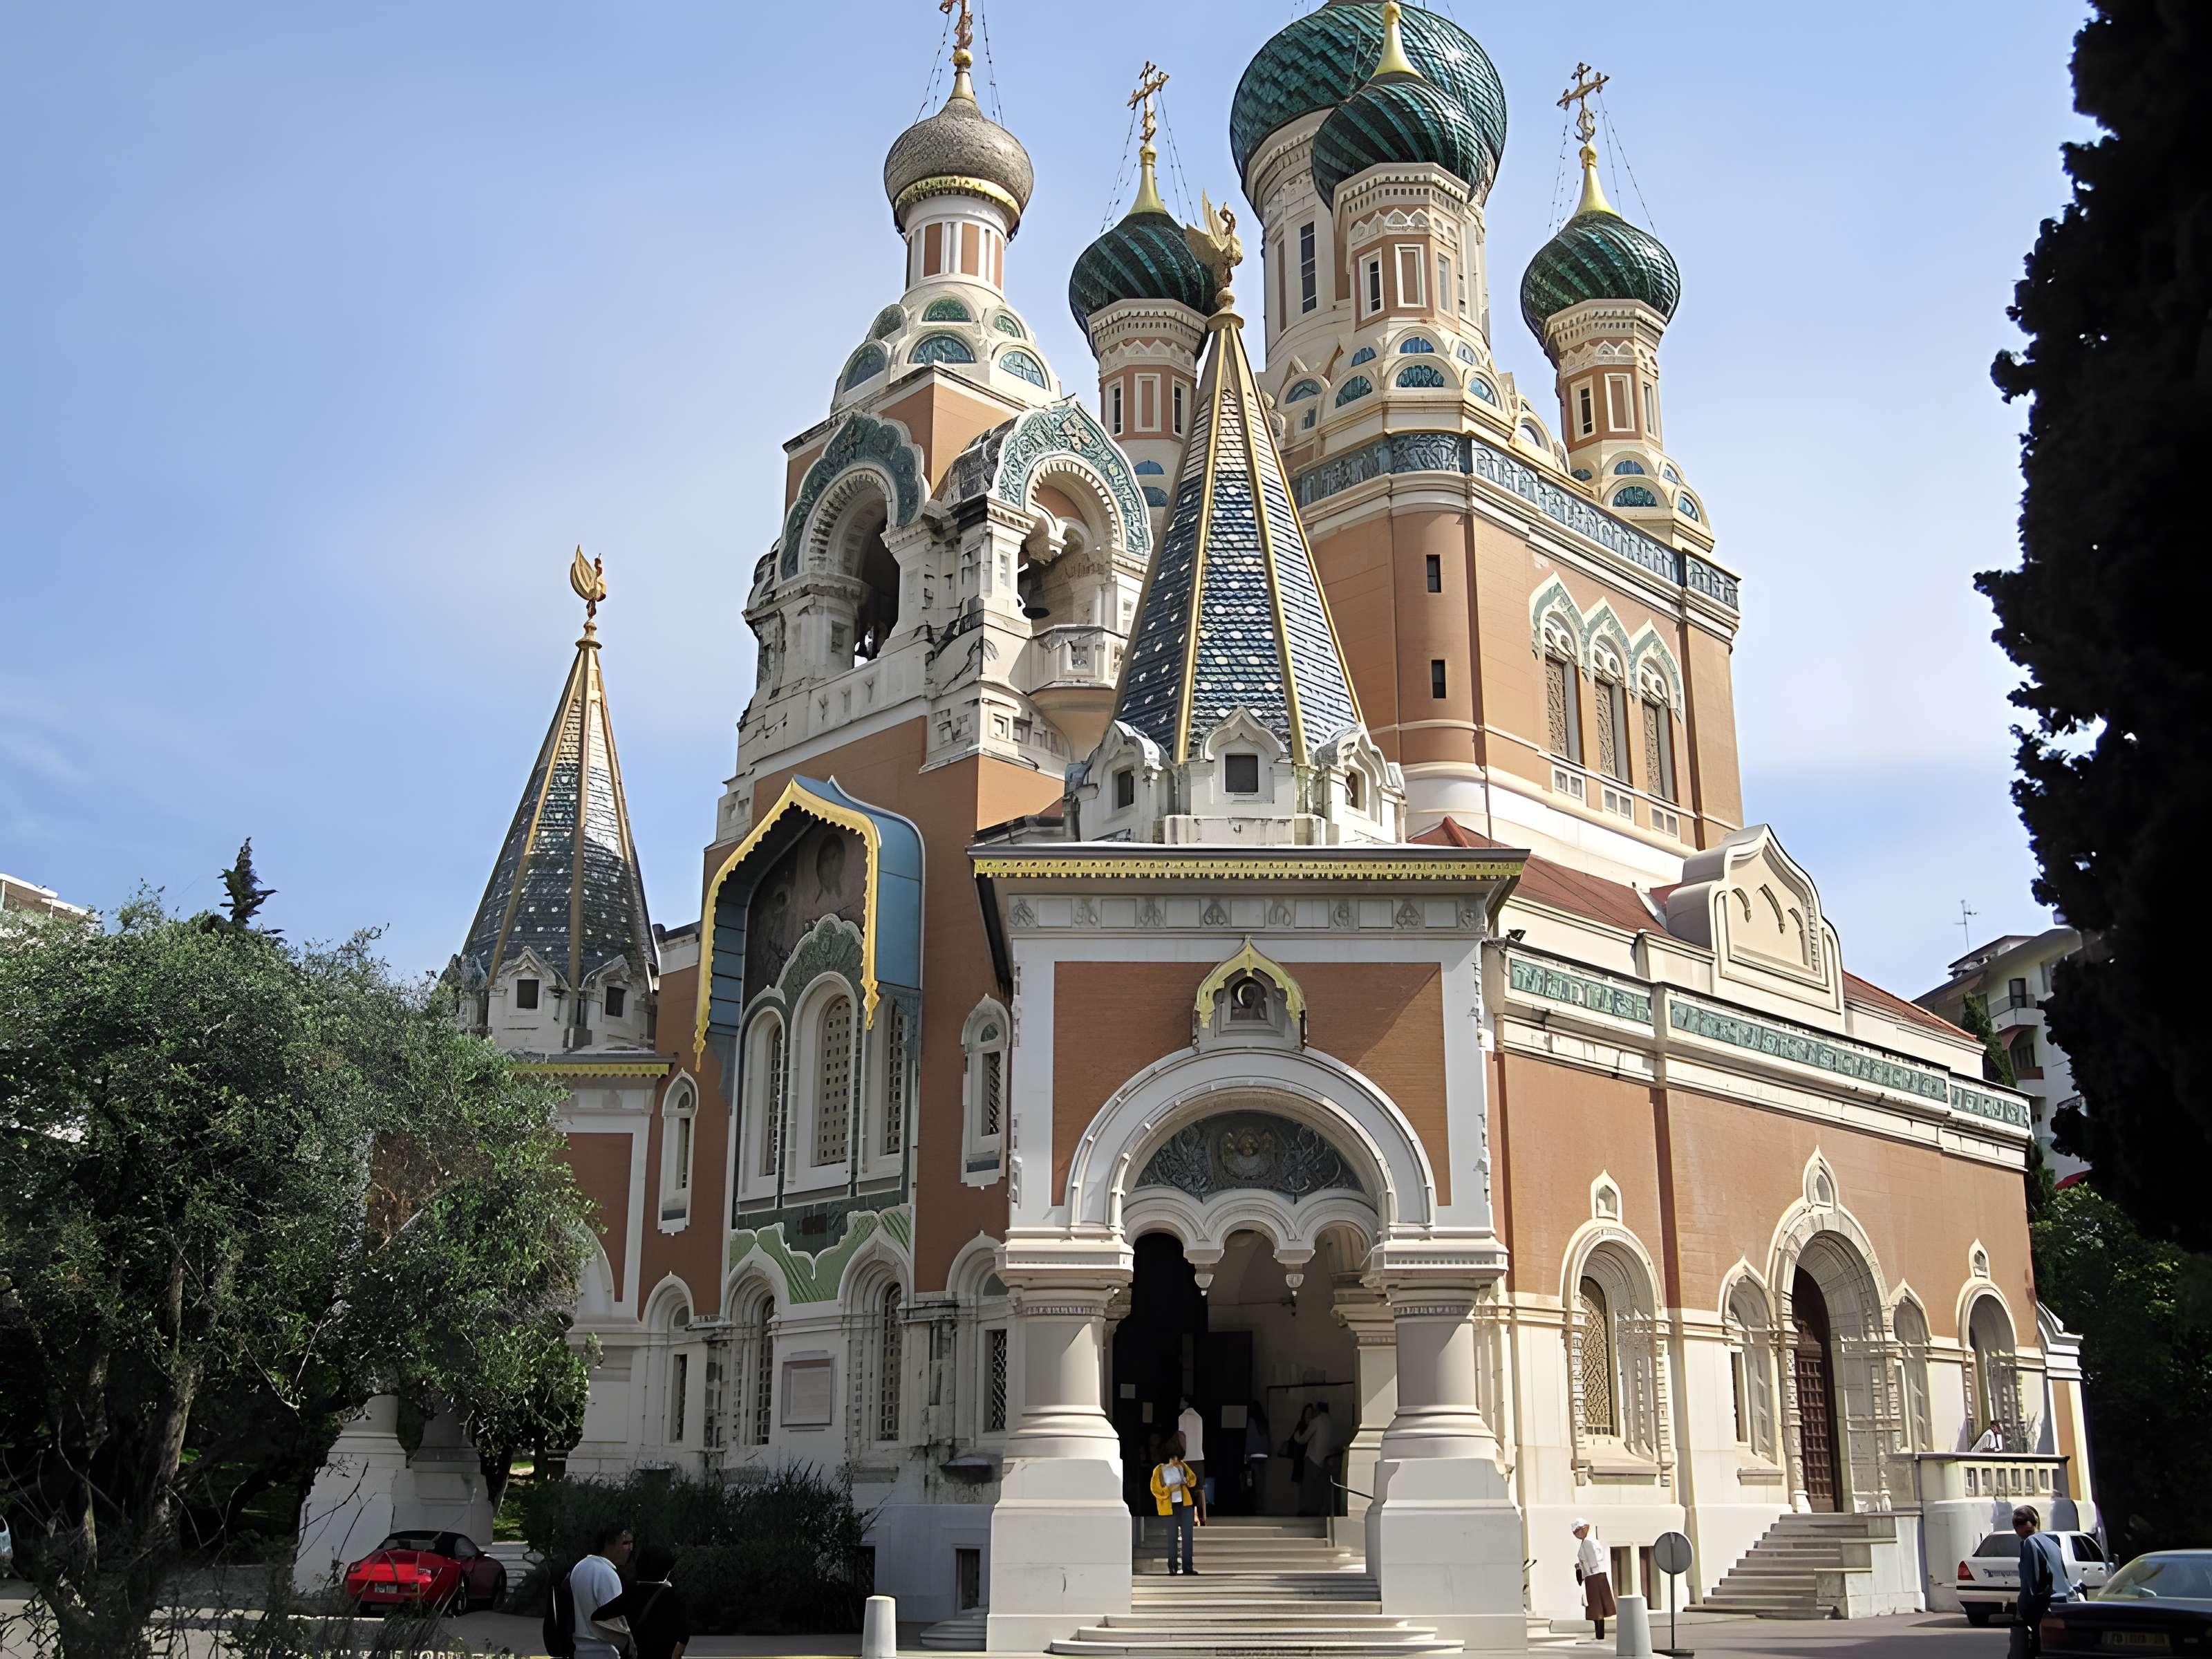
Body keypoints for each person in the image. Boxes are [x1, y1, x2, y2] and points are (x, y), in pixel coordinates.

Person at [594, 1544, 693, 1659]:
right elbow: (684, 1633)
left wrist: (626, 1636)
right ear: (667, 1569)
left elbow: (598, 1616)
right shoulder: (674, 1597)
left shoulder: (631, 1594)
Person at [2012, 1505, 2073, 1659]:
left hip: (2042, 1610)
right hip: (2062, 1604)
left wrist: (2024, 1609)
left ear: (2016, 1527)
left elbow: (2035, 1584)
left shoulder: (2029, 1544)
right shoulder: (2051, 1542)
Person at [568, 1520, 634, 1659]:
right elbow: (615, 1624)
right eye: (625, 1543)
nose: (630, 1548)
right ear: (609, 1544)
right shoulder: (607, 1574)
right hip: (605, 1652)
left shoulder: (579, 1567)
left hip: (580, 1651)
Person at [1150, 1438, 1200, 1575]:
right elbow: (1155, 1489)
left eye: (1177, 1457)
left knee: (1188, 1537)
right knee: (1171, 1538)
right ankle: (1172, 1567)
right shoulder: (1159, 1470)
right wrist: (1169, 1490)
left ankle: (1187, 1567)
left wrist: (1184, 1475)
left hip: (1185, 1505)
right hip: (1169, 1506)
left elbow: (1192, 1481)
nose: (1175, 1460)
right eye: (1173, 1458)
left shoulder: (1182, 1466)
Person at [1573, 1520, 1616, 1642]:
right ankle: (1599, 1635)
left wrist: (1592, 1574)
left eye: (1579, 1530)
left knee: (1597, 1608)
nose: (1577, 1533)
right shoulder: (1587, 1542)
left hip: (1594, 1578)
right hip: (1594, 1577)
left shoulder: (1588, 1543)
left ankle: (1600, 1635)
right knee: (1597, 1608)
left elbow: (1592, 1561)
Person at [1294, 1400, 1335, 1516]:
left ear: (1318, 1410)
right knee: (1319, 1489)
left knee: (1308, 1488)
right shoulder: (1330, 1422)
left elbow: (1304, 1439)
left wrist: (1296, 1436)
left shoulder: (1316, 1421)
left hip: (1312, 1458)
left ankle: (1306, 1511)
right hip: (1325, 1460)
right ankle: (1318, 1511)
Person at [1177, 1398, 1210, 1509]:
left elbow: (1181, 1435)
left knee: (1186, 1487)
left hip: (1187, 1458)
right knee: (1199, 1489)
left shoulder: (1182, 1417)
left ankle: (1187, 1513)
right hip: (1199, 1457)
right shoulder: (1198, 1417)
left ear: (1186, 1403)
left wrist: (1182, 1453)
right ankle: (1202, 1516)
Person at [1244, 1400, 1271, 1512]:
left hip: (1253, 1456)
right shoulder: (1264, 1422)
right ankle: (1261, 1506)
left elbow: (1250, 1439)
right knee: (1260, 1482)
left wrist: (1246, 1455)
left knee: (1252, 1483)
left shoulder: (1251, 1421)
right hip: (1263, 1456)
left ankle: (1254, 1506)